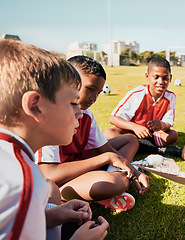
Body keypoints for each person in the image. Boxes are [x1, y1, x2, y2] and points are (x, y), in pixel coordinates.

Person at [0, 39, 108, 239]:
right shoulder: (22, 183)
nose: (79, 113)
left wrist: (50, 216)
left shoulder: (11, 157)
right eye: (73, 102)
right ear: (35, 106)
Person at [36, 55, 149, 212]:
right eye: (90, 89)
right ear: (67, 82)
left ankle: (108, 179)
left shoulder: (86, 113)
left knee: (130, 140)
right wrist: (106, 159)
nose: (94, 98)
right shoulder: (49, 117)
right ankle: (64, 196)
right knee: (117, 182)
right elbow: (50, 174)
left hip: (79, 163)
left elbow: (106, 148)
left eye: (99, 92)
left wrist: (135, 172)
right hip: (56, 182)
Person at [103, 56, 182, 157]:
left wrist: (161, 125)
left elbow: (168, 124)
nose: (161, 82)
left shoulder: (170, 97)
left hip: (151, 135)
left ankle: (139, 147)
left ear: (170, 78)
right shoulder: (137, 94)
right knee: (109, 133)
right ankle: (156, 150)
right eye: (156, 77)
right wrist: (134, 127)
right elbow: (113, 118)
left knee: (173, 135)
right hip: (130, 133)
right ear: (147, 76)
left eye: (165, 78)